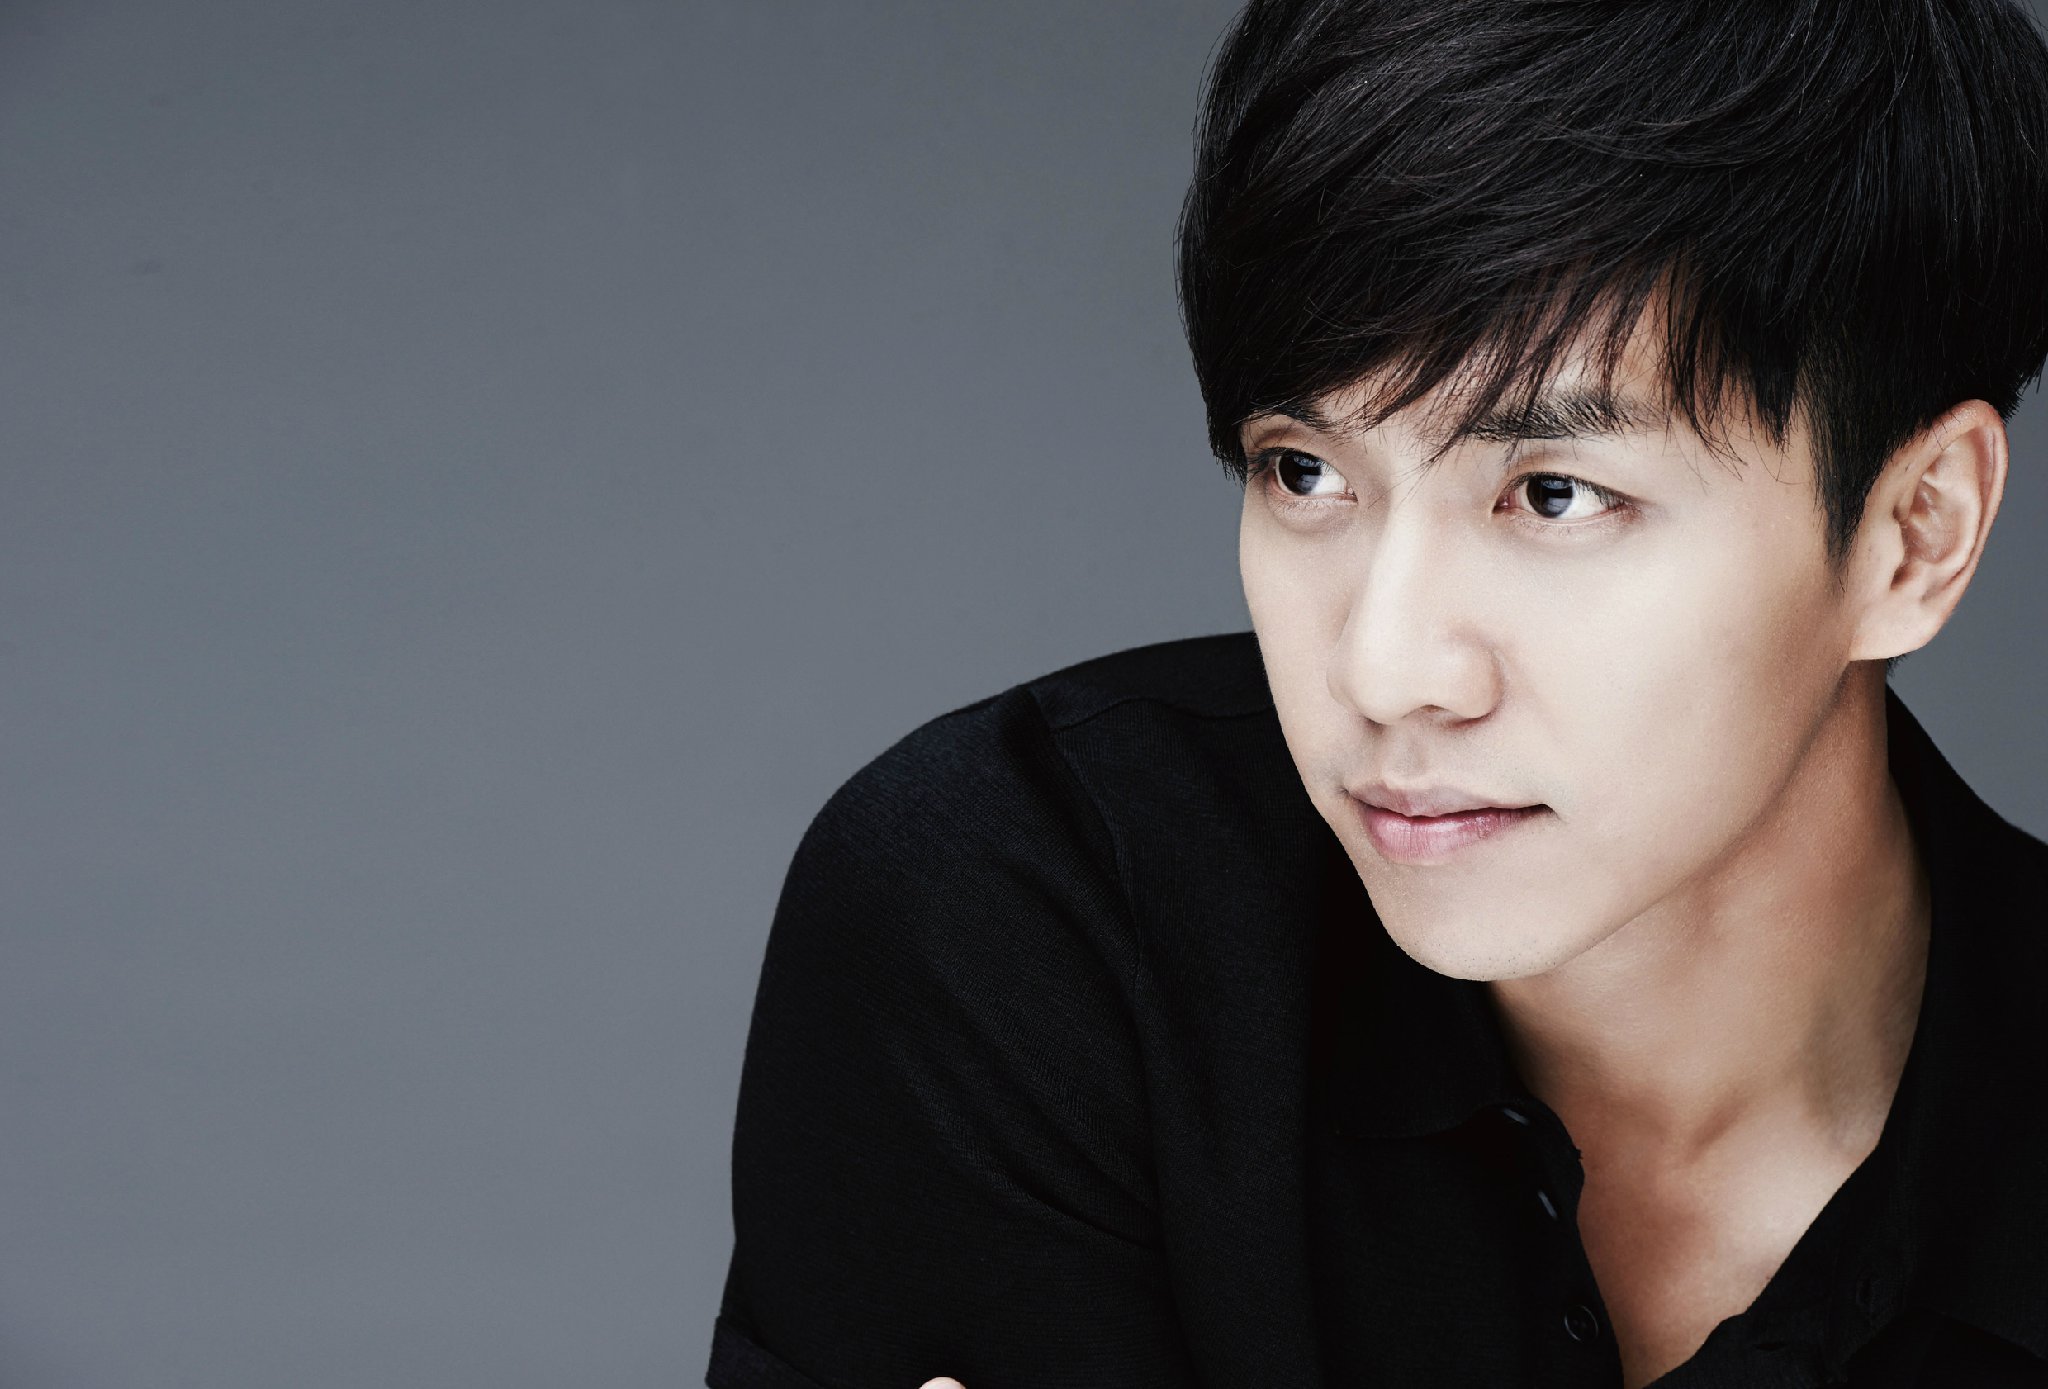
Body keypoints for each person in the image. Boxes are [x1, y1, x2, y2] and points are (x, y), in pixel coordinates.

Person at [706, 0, 2048, 1384]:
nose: (1384, 668)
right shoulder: (1031, 922)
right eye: (1305, 473)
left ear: (1916, 534)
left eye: (1555, 494)